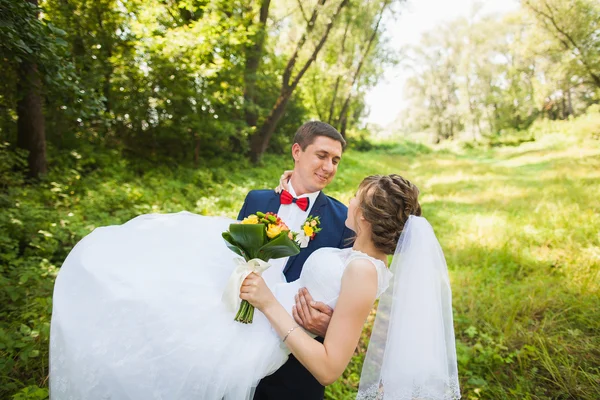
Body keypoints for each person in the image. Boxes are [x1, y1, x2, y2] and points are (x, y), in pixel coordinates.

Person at [49, 174, 460, 400]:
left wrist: (266, 302)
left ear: (368, 218)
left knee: (164, 333)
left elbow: (330, 368)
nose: (348, 201)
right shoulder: (358, 255)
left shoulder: (364, 271)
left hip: (266, 333)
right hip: (264, 313)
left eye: (357, 199)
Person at [237, 121, 354, 399]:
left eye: (335, 160)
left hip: (294, 363)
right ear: (297, 151)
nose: (329, 167)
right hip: (238, 341)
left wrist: (330, 326)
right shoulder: (256, 201)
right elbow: (235, 261)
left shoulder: (343, 220)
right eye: (322, 155)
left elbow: (350, 297)